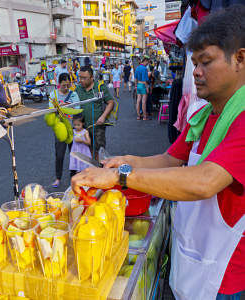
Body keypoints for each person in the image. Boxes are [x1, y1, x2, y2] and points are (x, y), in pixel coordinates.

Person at [71, 6, 245, 300]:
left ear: (240, 59)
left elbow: (204, 182)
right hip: (192, 256)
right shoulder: (204, 117)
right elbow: (168, 160)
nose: (197, 72)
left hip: (224, 276)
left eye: (206, 62)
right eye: (194, 63)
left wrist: (119, 175)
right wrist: (126, 161)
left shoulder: (241, 121)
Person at [75, 65, 114, 161]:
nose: (82, 80)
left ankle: (99, 169)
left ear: (92, 78)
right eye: (80, 77)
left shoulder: (100, 88)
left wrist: (103, 117)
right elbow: (73, 104)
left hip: (97, 125)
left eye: (84, 78)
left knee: (99, 149)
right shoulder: (78, 89)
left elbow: (110, 102)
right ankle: (91, 169)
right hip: (83, 126)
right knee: (86, 148)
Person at [49, 73, 80, 188]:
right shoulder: (53, 95)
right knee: (59, 154)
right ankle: (58, 177)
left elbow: (78, 109)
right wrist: (63, 107)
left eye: (68, 85)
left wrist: (68, 106)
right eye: (63, 85)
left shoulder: (74, 94)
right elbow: (50, 111)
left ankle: (73, 175)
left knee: (74, 153)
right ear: (59, 84)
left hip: (73, 128)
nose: (66, 88)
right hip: (60, 128)